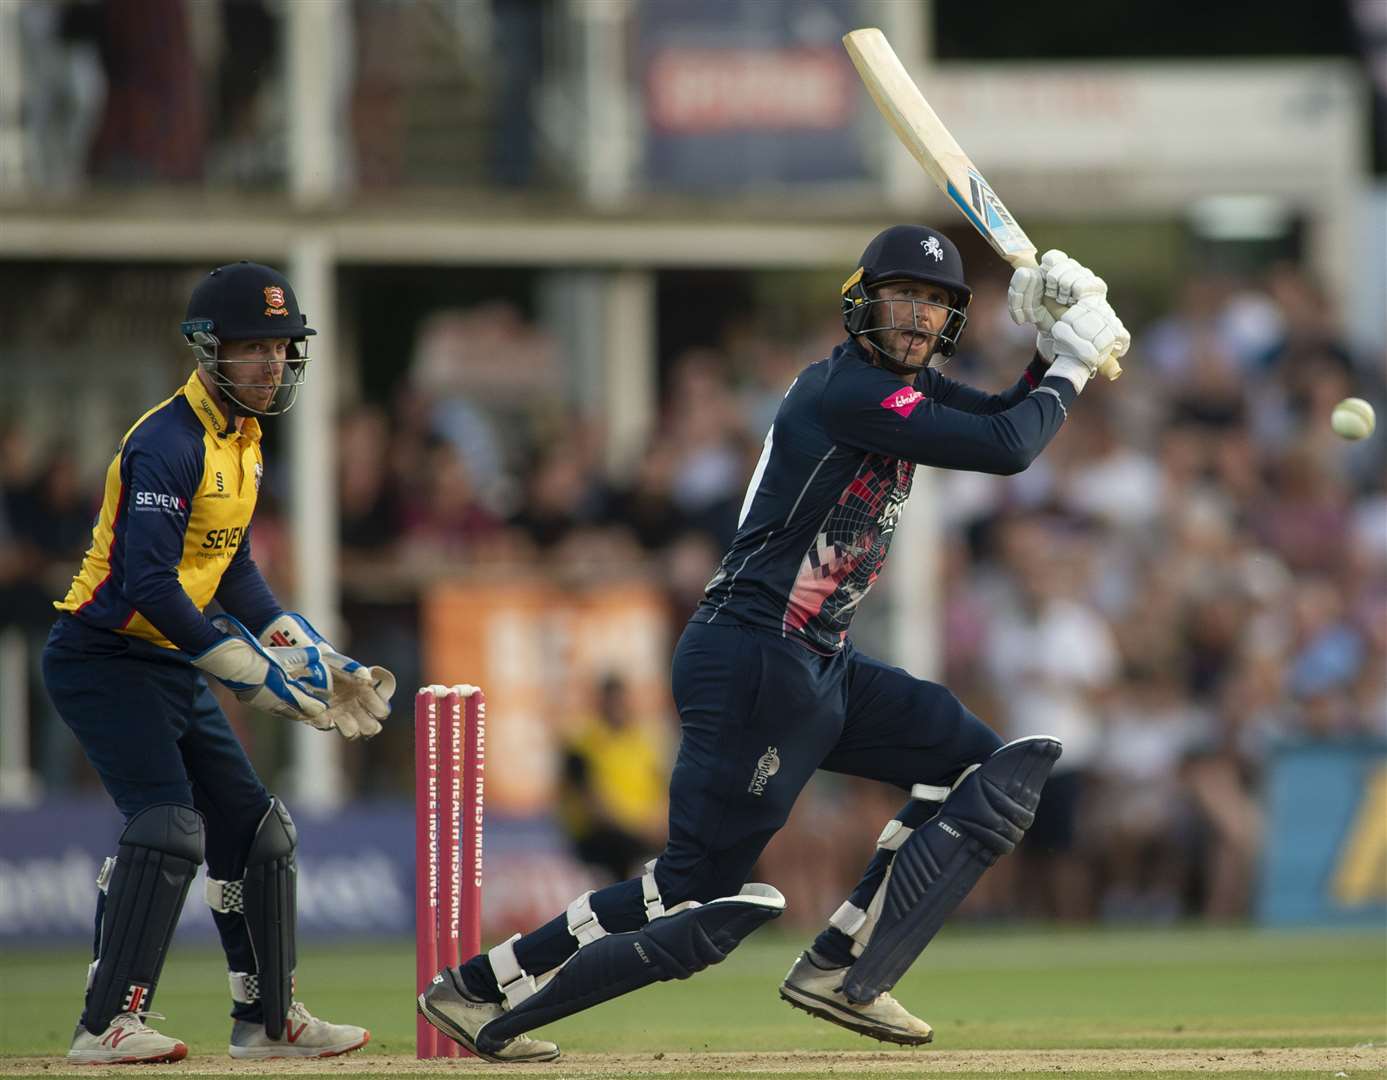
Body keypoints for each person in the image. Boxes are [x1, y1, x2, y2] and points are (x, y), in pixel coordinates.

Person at [417, 227, 1129, 1061]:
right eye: (904, 296)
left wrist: (1046, 352)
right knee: (688, 894)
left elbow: (1008, 417)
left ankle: (843, 966)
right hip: (753, 656)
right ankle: (478, 988)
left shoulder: (895, 392)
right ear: (861, 301)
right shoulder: (846, 391)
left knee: (978, 769)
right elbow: (1009, 449)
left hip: (818, 660)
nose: (919, 316)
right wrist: (1074, 367)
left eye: (935, 303)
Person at [42, 261, 396, 1064]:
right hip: (102, 656)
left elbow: (230, 568)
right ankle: (107, 1024)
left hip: (165, 660)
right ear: (209, 351)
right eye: (254, 347)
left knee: (258, 830)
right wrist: (251, 673)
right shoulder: (165, 441)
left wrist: (306, 649)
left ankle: (268, 1022)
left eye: (283, 347)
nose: (273, 364)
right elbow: (148, 583)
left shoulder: (243, 441)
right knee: (168, 827)